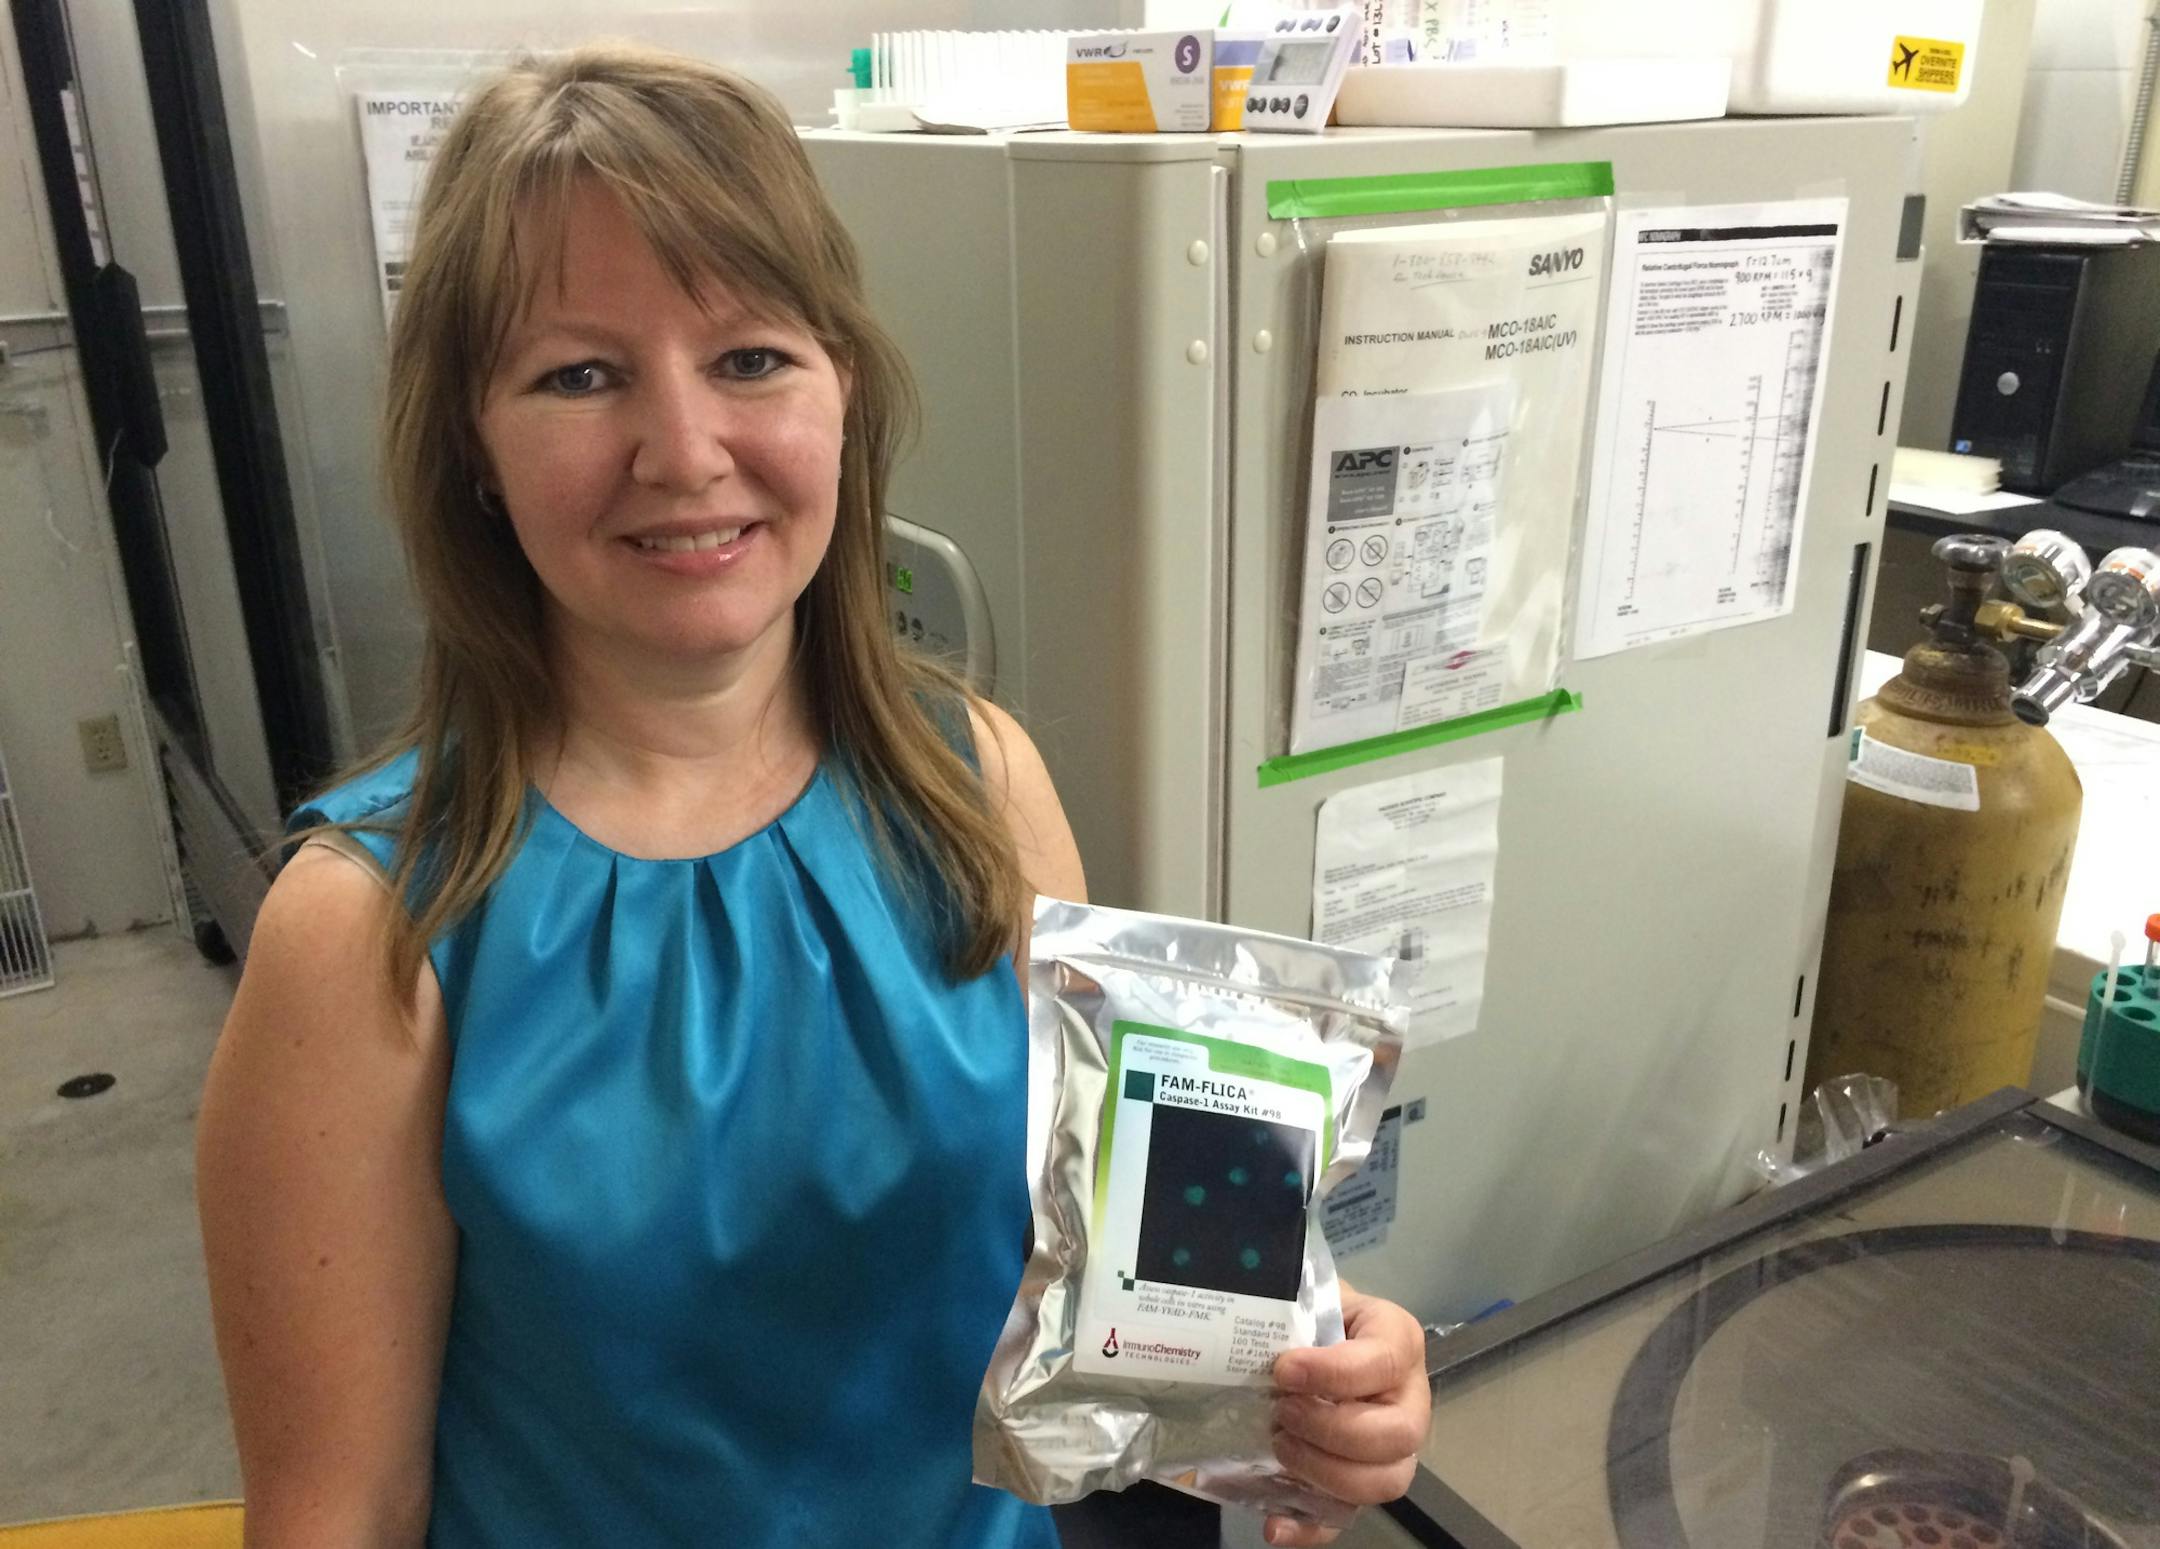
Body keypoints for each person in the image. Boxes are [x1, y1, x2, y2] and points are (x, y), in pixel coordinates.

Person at [194, 44, 1429, 1548]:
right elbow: (339, 1512)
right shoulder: (365, 936)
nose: (685, 450)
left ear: (843, 386)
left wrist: (1320, 1369)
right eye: (580, 374)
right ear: (472, 441)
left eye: (750, 356)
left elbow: (1135, 1296)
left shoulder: (977, 778)